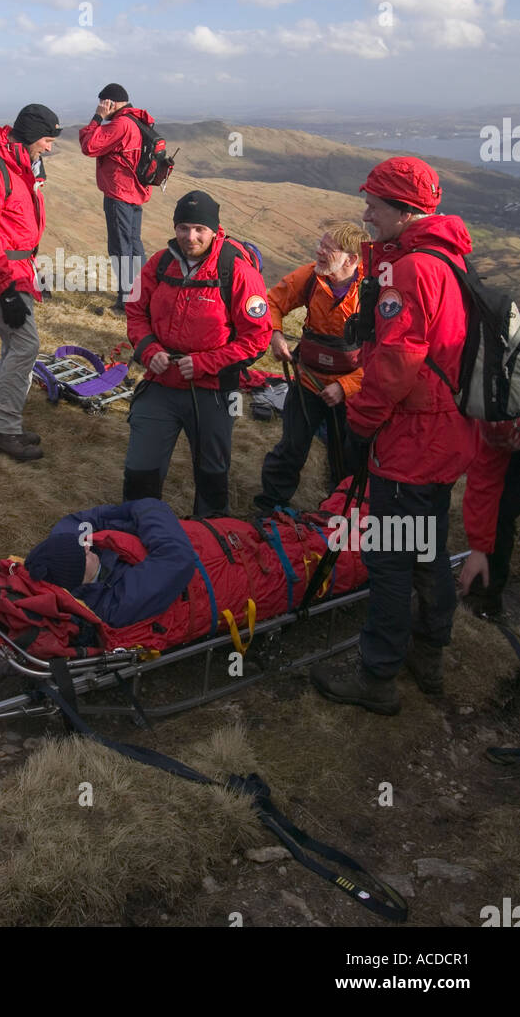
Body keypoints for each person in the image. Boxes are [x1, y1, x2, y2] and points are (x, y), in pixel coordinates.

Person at [310, 156, 477, 714]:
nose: (366, 213)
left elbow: (399, 362)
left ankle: (377, 677)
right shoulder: (445, 259)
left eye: (374, 204)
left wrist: (361, 422)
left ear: (403, 210)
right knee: (426, 550)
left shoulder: (409, 271)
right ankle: (428, 657)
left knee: (388, 561)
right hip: (443, 435)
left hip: (409, 442)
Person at [124, 189, 272, 516]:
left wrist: (205, 363)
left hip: (212, 391)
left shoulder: (237, 272)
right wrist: (149, 350)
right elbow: (135, 311)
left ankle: (211, 534)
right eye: (183, 227)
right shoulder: (159, 263)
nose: (190, 237)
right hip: (160, 382)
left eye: (199, 229)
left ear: (214, 230)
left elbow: (257, 338)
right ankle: (136, 527)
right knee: (141, 466)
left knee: (211, 471)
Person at [0, 103, 61, 462]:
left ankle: (0, 419)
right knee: (25, 346)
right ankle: (4, 428)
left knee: (14, 345)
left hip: (18, 274)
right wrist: (4, 290)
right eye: (47, 140)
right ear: (33, 136)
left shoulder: (22, 167)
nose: (50, 148)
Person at [254, 221, 368, 512]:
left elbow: (383, 356)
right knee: (291, 448)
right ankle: (270, 507)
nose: (318, 252)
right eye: (320, 245)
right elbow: (272, 302)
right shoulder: (310, 278)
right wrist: (275, 334)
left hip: (353, 393)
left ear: (351, 259)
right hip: (308, 381)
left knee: (346, 456)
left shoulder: (372, 294)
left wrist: (344, 388)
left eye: (327, 249)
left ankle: (340, 512)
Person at [25, 498, 195, 626]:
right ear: (79, 580)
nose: (86, 545)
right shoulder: (117, 603)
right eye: (82, 554)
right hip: (211, 569)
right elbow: (177, 557)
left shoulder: (61, 551)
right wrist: (148, 509)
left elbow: (83, 521)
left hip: (199, 536)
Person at [78, 83, 154, 313]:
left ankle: (126, 302)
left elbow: (89, 146)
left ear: (110, 102)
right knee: (134, 244)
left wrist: (97, 117)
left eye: (102, 102)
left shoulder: (120, 124)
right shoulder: (137, 121)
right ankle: (141, 295)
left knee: (120, 247)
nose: (100, 106)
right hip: (134, 193)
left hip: (119, 193)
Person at [460, 418, 520, 620]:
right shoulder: (496, 418)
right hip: (507, 436)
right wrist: (480, 548)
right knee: (500, 509)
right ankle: (484, 596)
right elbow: (485, 483)